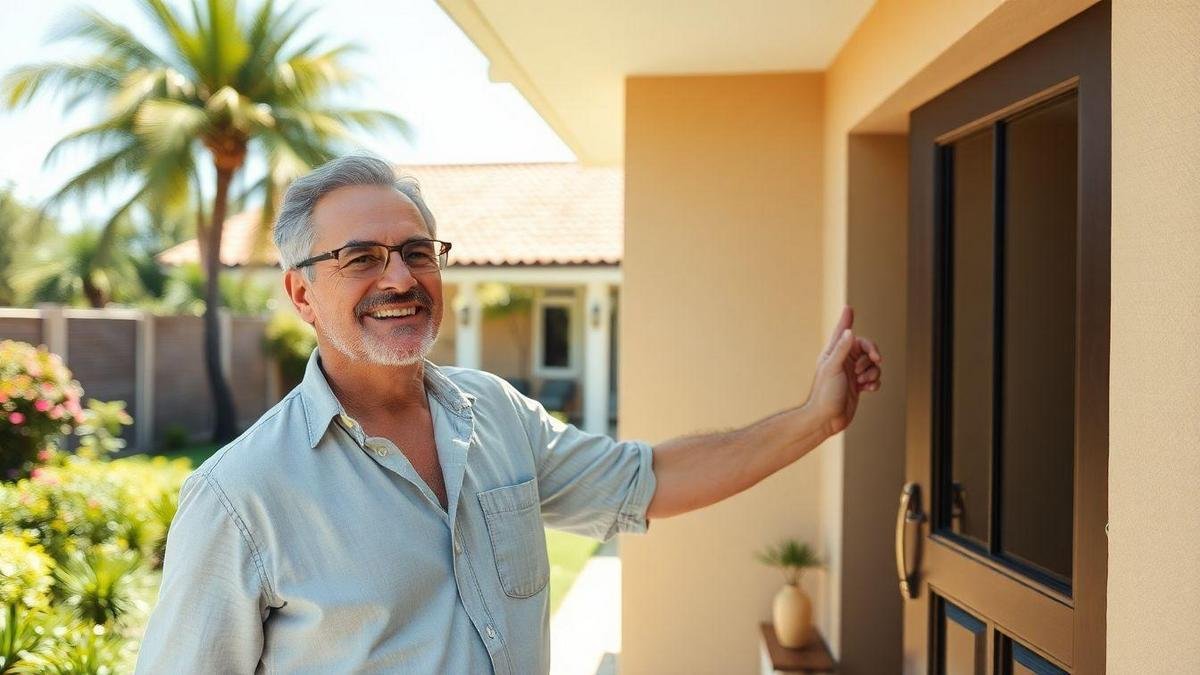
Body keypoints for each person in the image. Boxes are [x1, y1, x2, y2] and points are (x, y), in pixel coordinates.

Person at [134, 155, 882, 674]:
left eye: (417, 251)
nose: (400, 276)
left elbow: (648, 478)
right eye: (360, 257)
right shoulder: (240, 496)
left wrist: (816, 417)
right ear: (301, 295)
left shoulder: (493, 414)